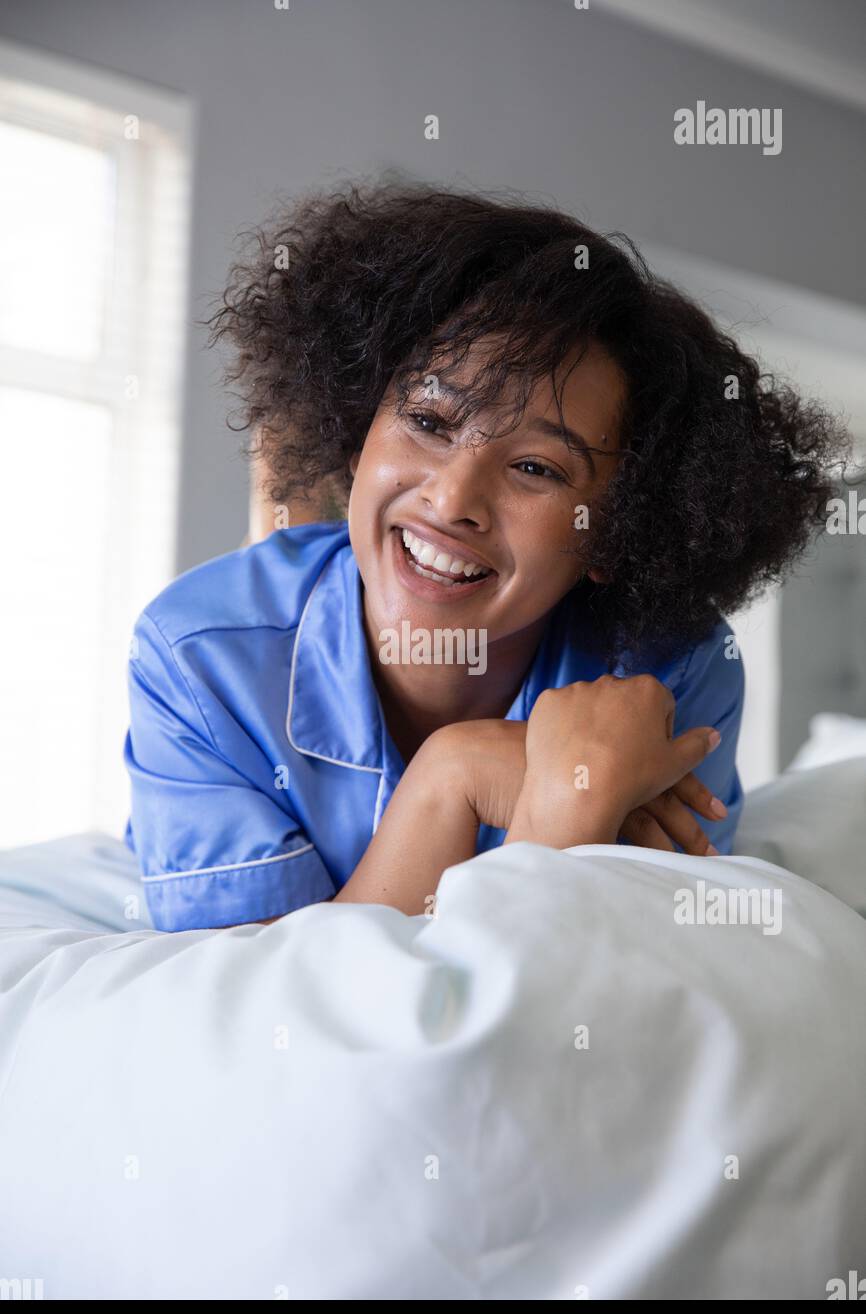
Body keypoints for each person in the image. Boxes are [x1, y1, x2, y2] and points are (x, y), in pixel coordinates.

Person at [123, 179, 845, 932]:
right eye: (430, 420)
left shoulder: (670, 671)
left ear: (614, 530)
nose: (452, 498)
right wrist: (466, 778)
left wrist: (506, 793)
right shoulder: (195, 656)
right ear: (359, 422)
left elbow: (619, 975)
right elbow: (266, 1016)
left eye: (537, 468)